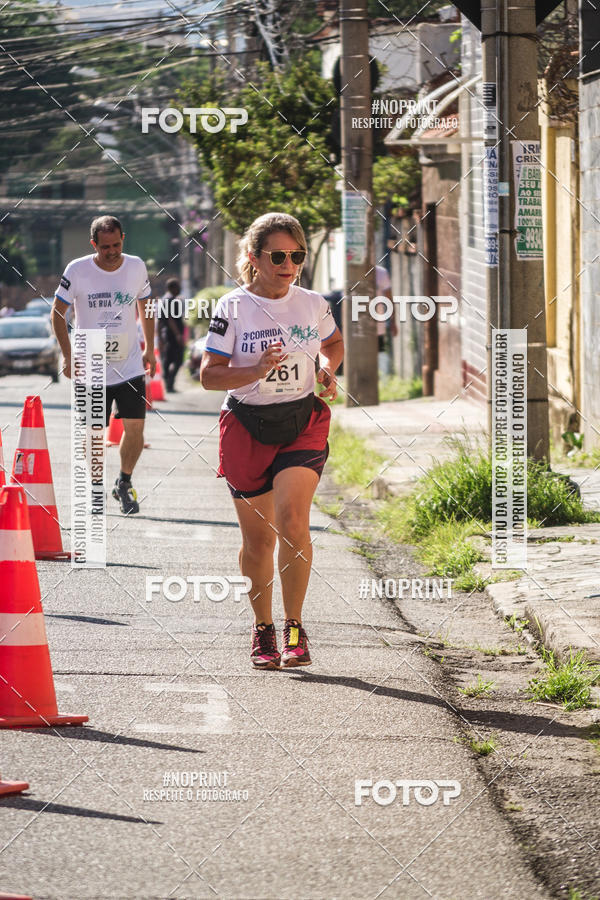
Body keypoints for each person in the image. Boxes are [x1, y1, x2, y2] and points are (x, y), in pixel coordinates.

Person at [200, 212, 344, 669]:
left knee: (294, 522)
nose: (289, 264)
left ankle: (295, 627)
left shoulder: (312, 303)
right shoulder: (232, 308)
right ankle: (262, 627)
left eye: (296, 256)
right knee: (259, 541)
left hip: (301, 421)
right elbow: (209, 376)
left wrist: (326, 368)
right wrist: (255, 371)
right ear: (253, 257)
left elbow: (334, 343)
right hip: (246, 427)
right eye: (278, 255)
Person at [51, 214, 156, 515]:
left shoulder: (135, 266)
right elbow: (59, 313)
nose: (112, 252)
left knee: (135, 428)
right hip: (90, 365)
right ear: (93, 244)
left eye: (116, 244)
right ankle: (95, 486)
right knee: (93, 433)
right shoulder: (78, 270)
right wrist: (68, 354)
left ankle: (124, 481)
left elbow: (145, 305)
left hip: (131, 365)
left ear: (124, 238)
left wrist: (149, 348)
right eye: (105, 247)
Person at [158, 278, 185, 392]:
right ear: (172, 288)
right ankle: (169, 381)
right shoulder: (170, 300)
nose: (180, 289)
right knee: (178, 359)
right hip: (172, 336)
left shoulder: (164, 299)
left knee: (168, 358)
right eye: (178, 286)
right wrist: (178, 335)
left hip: (167, 335)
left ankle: (168, 381)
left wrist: (159, 336)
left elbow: (160, 321)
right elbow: (170, 319)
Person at [375, 264, 397, 376]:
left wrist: (393, 321)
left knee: (380, 353)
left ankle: (384, 383)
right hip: (357, 327)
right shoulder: (352, 271)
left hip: (378, 325)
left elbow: (389, 299)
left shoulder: (381, 273)